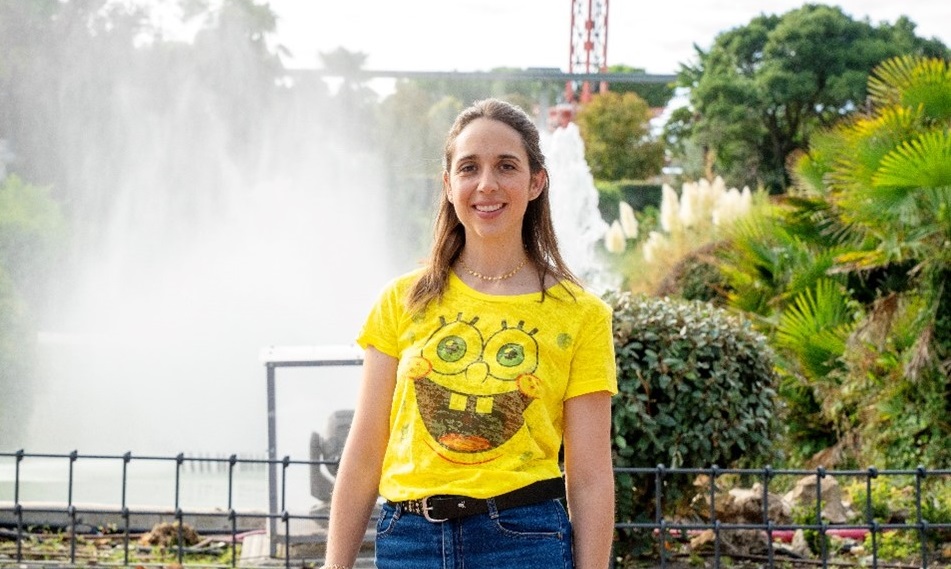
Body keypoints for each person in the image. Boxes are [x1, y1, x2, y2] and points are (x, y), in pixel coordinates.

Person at [320, 98, 617, 569]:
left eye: (506, 166)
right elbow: (364, 450)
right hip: (409, 543)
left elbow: (591, 478)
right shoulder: (401, 300)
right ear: (448, 184)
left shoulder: (582, 315)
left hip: (524, 544)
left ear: (536, 182)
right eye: (469, 168)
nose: (487, 184)